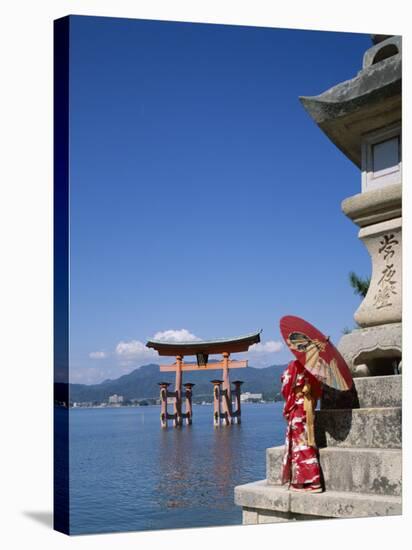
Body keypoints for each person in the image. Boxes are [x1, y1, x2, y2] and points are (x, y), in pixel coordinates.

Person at [280, 358, 323, 492]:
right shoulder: (317, 366)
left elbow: (285, 385)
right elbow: (318, 390)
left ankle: (309, 482)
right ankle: (309, 480)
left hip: (298, 407)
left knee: (300, 444)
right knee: (307, 440)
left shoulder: (295, 364)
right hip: (308, 405)